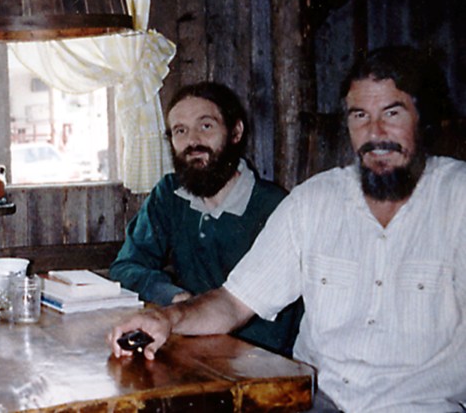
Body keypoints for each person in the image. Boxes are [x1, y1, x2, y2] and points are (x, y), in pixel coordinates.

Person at [108, 47, 466, 412]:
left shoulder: (458, 200)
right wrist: (165, 317)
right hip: (312, 401)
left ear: (423, 119)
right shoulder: (313, 201)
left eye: (392, 113)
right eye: (360, 116)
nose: (375, 133)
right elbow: (233, 302)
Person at [109, 82, 302, 356]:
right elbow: (126, 266)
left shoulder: (276, 207)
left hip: (260, 361)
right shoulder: (170, 195)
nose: (192, 141)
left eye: (206, 126)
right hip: (187, 346)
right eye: (180, 131)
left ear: (235, 132)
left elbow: (279, 324)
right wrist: (172, 296)